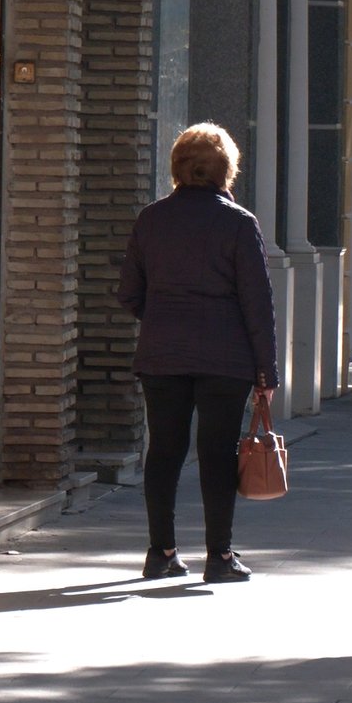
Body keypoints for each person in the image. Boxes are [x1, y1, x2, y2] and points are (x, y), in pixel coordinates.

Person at [117, 123, 278, 585]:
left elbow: (129, 293)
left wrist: (164, 315)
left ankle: (160, 551)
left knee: (164, 449)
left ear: (178, 169)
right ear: (227, 171)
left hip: (162, 354)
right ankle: (219, 555)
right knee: (217, 451)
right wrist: (266, 369)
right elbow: (257, 303)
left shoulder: (152, 219)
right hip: (225, 357)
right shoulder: (239, 223)